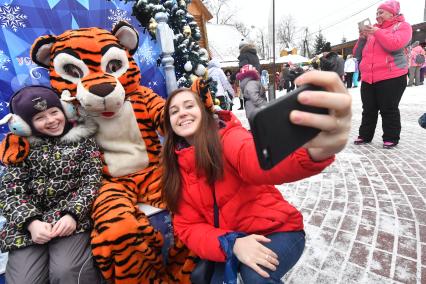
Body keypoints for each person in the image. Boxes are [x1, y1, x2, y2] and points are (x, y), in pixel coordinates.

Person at [160, 70, 352, 284]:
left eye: (189, 106)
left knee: (255, 276)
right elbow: (187, 226)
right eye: (174, 111)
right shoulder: (174, 167)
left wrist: (312, 152)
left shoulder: (227, 136)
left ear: (204, 111)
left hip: (277, 229)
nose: (182, 113)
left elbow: (255, 161)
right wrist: (232, 243)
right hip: (232, 238)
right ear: (170, 124)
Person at [0, 86, 103, 284]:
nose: (51, 121)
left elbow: (92, 179)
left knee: (68, 271)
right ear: (26, 124)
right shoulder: (19, 148)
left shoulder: (82, 140)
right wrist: (31, 222)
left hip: (71, 218)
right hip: (27, 226)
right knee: (24, 280)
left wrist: (73, 214)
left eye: (54, 112)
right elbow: (10, 191)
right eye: (39, 118)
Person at [353, 0, 412, 149]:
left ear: (392, 13)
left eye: (381, 12)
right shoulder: (373, 30)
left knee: (388, 108)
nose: (378, 15)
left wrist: (377, 32)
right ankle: (365, 135)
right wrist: (362, 37)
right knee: (368, 109)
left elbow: (394, 44)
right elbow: (357, 53)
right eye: (377, 12)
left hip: (392, 75)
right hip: (369, 76)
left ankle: (391, 137)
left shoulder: (403, 26)